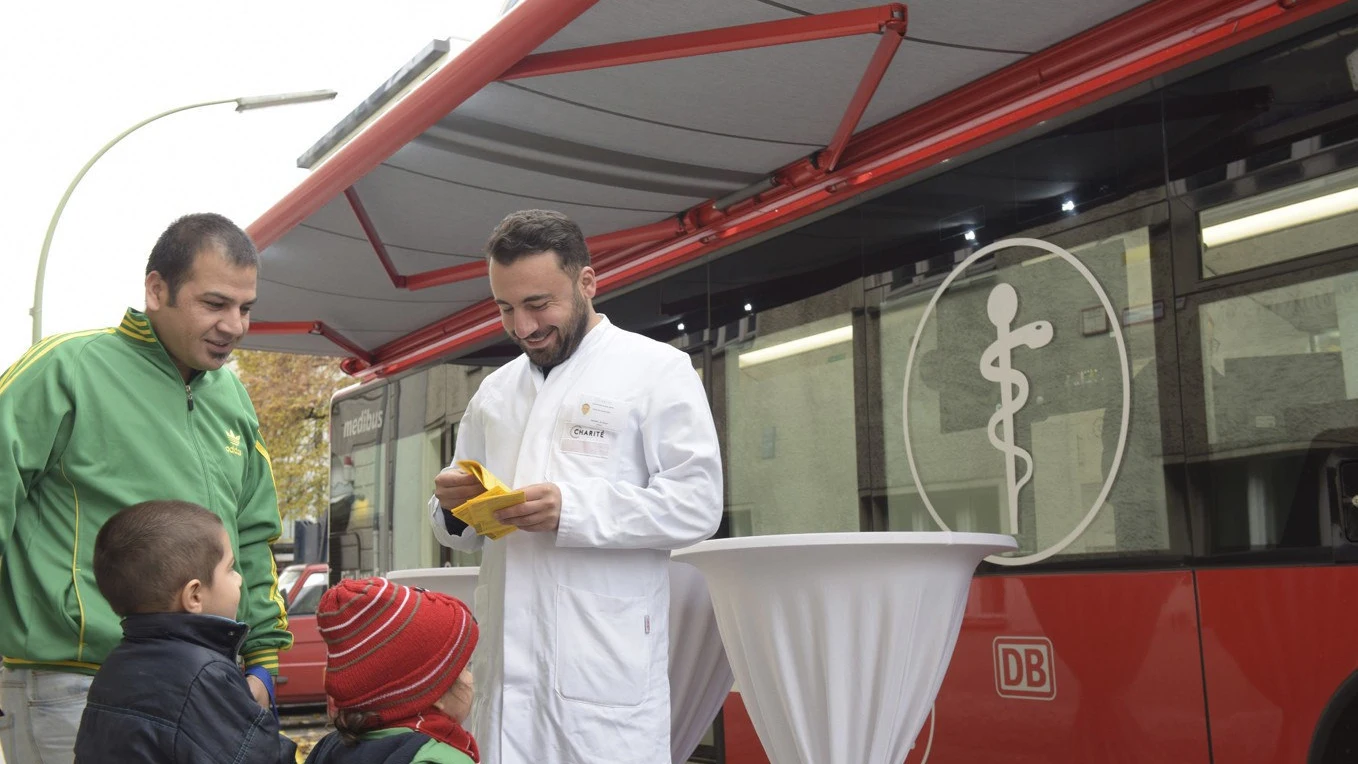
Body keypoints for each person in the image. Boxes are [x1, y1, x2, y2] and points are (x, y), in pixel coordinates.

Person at [427, 209, 723, 764]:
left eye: (539, 304)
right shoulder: (493, 393)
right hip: (507, 674)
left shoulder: (656, 370)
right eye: (505, 309)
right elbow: (457, 531)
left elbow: (698, 505)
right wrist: (452, 506)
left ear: (587, 282)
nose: (523, 328)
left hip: (604, 675)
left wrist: (574, 510)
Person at [0, 213, 291, 764]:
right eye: (214, 303)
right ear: (156, 289)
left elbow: (251, 539)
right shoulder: (67, 367)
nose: (234, 325)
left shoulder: (232, 397)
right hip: (74, 686)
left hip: (209, 687)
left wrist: (264, 668)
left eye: (245, 307)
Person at [72, 500, 297, 763]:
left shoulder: (114, 667)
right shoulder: (204, 675)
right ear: (194, 595)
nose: (239, 579)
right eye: (230, 568)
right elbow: (258, 756)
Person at [304, 577, 480, 764]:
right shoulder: (437, 759)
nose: (471, 677)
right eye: (465, 667)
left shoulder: (329, 750)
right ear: (434, 691)